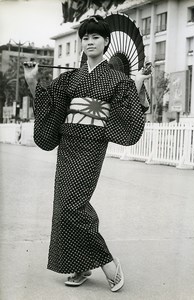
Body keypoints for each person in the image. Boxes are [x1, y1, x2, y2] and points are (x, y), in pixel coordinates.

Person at [24, 15, 151, 292]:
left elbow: (126, 110)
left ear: (106, 41)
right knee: (63, 207)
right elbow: (50, 104)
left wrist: (138, 83)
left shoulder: (117, 79)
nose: (89, 41)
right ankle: (79, 266)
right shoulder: (70, 78)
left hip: (91, 144)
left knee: (74, 206)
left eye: (95, 37)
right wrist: (33, 82)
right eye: (85, 37)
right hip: (68, 143)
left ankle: (107, 263)